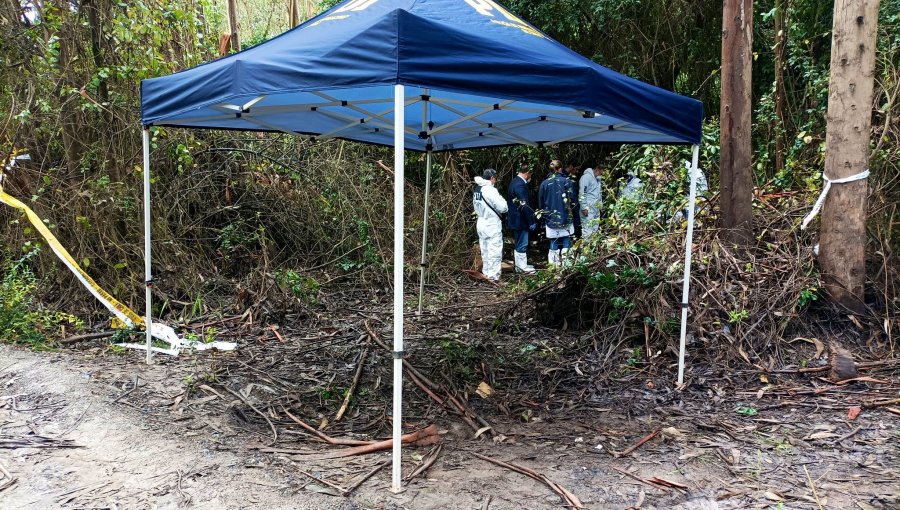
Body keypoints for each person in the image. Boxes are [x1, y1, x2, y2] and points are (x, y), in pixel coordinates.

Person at [473, 168, 508, 281]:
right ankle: (493, 277)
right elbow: (503, 207)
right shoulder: (490, 190)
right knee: (494, 250)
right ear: (492, 178)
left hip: (481, 221)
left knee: (485, 249)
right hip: (491, 223)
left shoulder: (478, 188)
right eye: (495, 178)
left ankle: (486, 273)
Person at [538, 160, 575, 266]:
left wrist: (543, 218)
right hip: (566, 217)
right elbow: (572, 200)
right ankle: (567, 266)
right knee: (566, 241)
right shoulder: (566, 181)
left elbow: (541, 203)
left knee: (553, 242)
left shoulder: (544, 184)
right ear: (560, 169)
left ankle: (554, 267)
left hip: (550, 218)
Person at [507, 163, 537, 274]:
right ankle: (521, 267)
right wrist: (531, 221)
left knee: (520, 242)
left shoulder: (515, 181)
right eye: (531, 174)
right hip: (520, 220)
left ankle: (521, 265)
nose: (531, 177)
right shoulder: (520, 185)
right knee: (522, 243)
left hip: (516, 219)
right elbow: (525, 205)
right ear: (527, 173)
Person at [579, 166, 603, 242]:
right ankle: (586, 251)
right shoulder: (586, 178)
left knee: (595, 230)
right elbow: (582, 193)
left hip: (596, 209)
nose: (601, 175)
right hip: (588, 209)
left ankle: (593, 250)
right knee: (587, 231)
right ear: (597, 170)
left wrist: (600, 206)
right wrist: (584, 208)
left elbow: (599, 194)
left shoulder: (597, 179)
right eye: (601, 173)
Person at [564, 163, 582, 238]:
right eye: (576, 169)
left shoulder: (568, 177)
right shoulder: (567, 178)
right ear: (571, 166)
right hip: (571, 202)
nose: (577, 171)